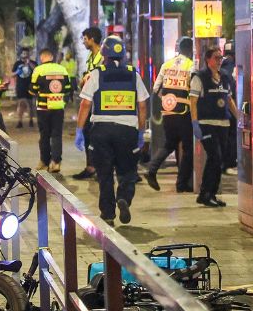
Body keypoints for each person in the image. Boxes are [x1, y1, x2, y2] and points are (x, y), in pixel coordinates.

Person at [75, 35, 149, 225]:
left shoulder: (97, 74)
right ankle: (123, 197)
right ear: (124, 55)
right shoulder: (134, 75)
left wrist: (79, 130)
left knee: (105, 174)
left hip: (101, 131)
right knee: (127, 171)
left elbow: (85, 104)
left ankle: (108, 214)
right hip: (127, 131)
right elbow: (142, 106)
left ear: (104, 55)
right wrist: (141, 132)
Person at [190, 47, 239, 208]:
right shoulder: (200, 77)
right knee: (214, 157)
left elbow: (229, 99)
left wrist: (238, 116)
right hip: (206, 124)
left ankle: (211, 193)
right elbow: (193, 102)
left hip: (223, 124)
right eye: (216, 58)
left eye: (220, 58)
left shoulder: (225, 77)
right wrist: (195, 123)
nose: (219, 61)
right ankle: (205, 193)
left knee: (219, 160)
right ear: (208, 60)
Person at [145, 37, 195, 193]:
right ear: (190, 50)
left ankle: (152, 169)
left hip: (168, 112)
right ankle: (182, 184)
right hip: (184, 112)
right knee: (188, 149)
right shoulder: (191, 66)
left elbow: (156, 89)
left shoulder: (166, 65)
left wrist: (168, 101)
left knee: (170, 143)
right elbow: (193, 91)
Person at [71, 27, 105, 181]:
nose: (83, 41)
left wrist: (88, 78)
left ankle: (100, 167)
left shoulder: (103, 56)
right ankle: (91, 167)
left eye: (85, 38)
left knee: (98, 136)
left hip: (101, 102)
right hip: (91, 99)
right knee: (88, 134)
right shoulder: (91, 57)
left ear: (92, 39)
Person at [30, 47, 70, 172]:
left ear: (42, 58)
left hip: (43, 108)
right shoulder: (62, 69)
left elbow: (32, 90)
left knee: (44, 135)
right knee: (57, 135)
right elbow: (68, 88)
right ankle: (56, 162)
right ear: (52, 57)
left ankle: (44, 162)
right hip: (58, 107)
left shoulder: (38, 70)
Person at [13, 48, 37, 129]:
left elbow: (36, 71)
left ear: (29, 55)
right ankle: (20, 121)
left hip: (30, 86)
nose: (25, 55)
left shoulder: (33, 63)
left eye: (26, 54)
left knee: (30, 104)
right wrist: (18, 71)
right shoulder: (17, 63)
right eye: (23, 54)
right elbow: (13, 74)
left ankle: (31, 121)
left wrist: (29, 63)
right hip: (20, 86)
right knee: (21, 104)